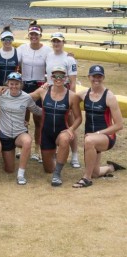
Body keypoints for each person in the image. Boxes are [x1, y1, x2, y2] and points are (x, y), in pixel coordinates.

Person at [28, 66, 82, 186]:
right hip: (46, 134)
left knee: (65, 139)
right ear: (51, 78)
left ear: (66, 78)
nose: (58, 78)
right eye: (55, 76)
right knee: (48, 169)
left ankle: (57, 173)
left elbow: (79, 118)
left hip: (62, 131)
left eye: (61, 76)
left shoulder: (71, 96)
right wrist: (6, 91)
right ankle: (57, 158)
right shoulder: (43, 91)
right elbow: (26, 97)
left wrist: (71, 129)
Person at [73, 65, 124, 188]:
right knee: (95, 172)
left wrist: (97, 134)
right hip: (90, 138)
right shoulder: (84, 94)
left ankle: (86, 178)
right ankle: (111, 167)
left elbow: (119, 125)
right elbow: (73, 97)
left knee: (89, 141)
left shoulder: (109, 96)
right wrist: (77, 116)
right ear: (89, 77)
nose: (96, 79)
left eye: (99, 76)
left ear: (103, 78)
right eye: (94, 76)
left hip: (106, 137)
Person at [0, 72, 42, 185]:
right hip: (5, 134)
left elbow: (37, 111)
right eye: (11, 84)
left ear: (21, 84)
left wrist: (51, 111)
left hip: (20, 133)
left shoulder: (26, 97)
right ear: (7, 84)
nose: (14, 86)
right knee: (9, 169)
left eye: (17, 84)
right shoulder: (1, 93)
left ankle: (21, 175)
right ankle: (8, 156)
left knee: (27, 141)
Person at [17, 25, 52, 162]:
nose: (33, 37)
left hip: (39, 86)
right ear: (28, 35)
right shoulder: (22, 48)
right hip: (24, 85)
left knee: (39, 120)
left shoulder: (47, 50)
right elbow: (12, 58)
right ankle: (21, 147)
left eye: (36, 34)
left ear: (40, 36)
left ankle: (37, 150)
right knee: (23, 119)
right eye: (31, 34)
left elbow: (55, 62)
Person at [44, 32, 80, 167]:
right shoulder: (48, 56)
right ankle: (52, 152)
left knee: (70, 126)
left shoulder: (69, 59)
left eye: (58, 41)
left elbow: (73, 81)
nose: (56, 44)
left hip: (65, 95)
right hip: (51, 93)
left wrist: (71, 101)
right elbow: (47, 77)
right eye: (54, 41)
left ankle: (75, 155)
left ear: (63, 43)